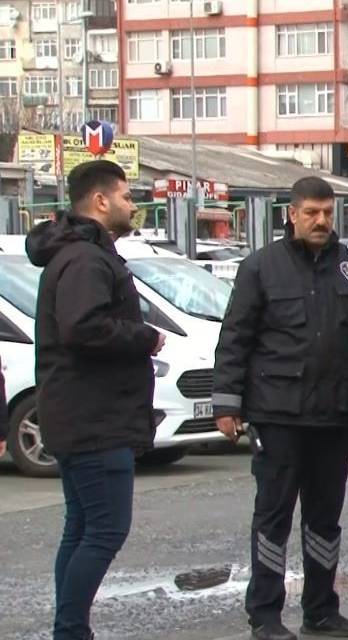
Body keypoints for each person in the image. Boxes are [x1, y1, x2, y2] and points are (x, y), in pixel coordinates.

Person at [212, 177, 348, 640]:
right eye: (312, 213)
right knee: (272, 518)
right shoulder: (261, 269)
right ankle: (266, 616)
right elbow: (234, 339)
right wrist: (227, 403)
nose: (321, 221)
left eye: (328, 213)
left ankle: (321, 610)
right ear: (291, 214)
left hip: (334, 415)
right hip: (277, 416)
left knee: (324, 520)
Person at [26, 159, 162, 640]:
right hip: (95, 418)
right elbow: (83, 327)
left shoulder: (80, 253)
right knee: (104, 530)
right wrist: (143, 337)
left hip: (81, 413)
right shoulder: (85, 259)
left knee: (81, 527)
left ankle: (70, 628)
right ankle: (70, 630)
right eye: (126, 196)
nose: (133, 205)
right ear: (101, 201)